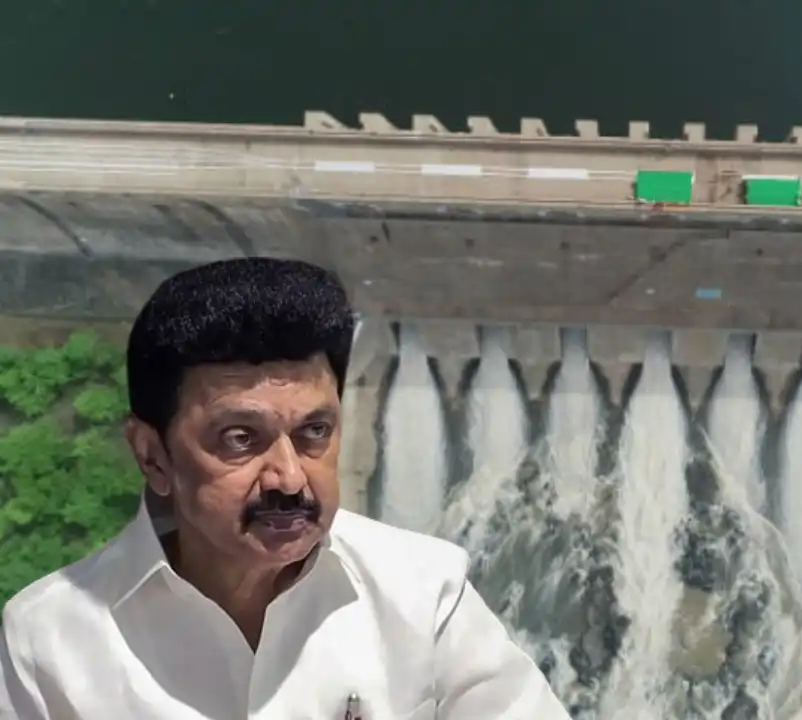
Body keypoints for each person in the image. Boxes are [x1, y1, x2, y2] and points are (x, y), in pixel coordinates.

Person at [0, 258, 571, 719]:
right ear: (152, 456)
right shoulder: (50, 639)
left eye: (314, 432)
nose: (290, 478)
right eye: (240, 439)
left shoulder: (423, 592)